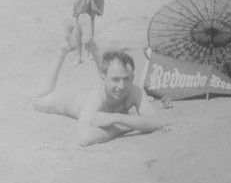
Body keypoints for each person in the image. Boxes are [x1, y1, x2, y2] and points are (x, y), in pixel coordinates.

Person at [31, 24, 163, 146]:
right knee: (38, 100)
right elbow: (85, 137)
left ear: (132, 77)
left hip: (89, 92)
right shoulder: (95, 99)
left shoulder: (135, 91)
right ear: (103, 78)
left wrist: (116, 118)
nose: (122, 85)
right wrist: (128, 125)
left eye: (126, 79)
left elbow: (156, 122)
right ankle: (62, 51)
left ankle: (92, 48)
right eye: (115, 79)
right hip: (70, 99)